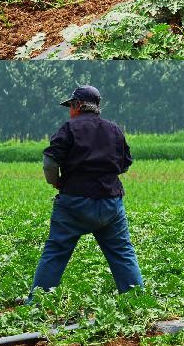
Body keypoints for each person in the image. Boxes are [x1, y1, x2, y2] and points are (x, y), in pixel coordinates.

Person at [29, 85, 144, 300]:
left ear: (77, 106)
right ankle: (138, 303)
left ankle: (38, 303)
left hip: (74, 202)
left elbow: (50, 162)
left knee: (55, 252)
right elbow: (125, 165)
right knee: (122, 252)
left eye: (70, 106)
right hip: (110, 203)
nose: (69, 111)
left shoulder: (69, 128)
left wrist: (56, 183)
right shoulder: (114, 129)